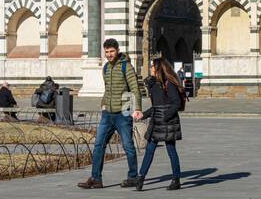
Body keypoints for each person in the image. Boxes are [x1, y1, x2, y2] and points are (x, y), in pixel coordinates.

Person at [78, 38, 144, 189]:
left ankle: (133, 176)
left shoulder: (126, 67)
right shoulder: (106, 68)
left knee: (128, 145)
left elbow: (135, 88)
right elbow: (107, 89)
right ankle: (96, 178)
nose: (109, 54)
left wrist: (137, 108)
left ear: (117, 50)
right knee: (98, 145)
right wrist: (103, 104)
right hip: (107, 114)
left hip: (123, 113)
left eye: (111, 51)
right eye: (106, 52)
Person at [137, 56, 186, 190]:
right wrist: (143, 115)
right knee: (150, 150)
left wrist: (165, 116)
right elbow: (155, 106)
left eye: (153, 66)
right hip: (156, 121)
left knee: (171, 150)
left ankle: (176, 179)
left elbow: (176, 103)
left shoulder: (168, 84)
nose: (151, 68)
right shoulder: (154, 85)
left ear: (158, 68)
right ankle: (141, 178)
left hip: (167, 121)